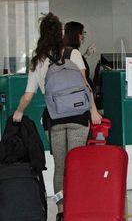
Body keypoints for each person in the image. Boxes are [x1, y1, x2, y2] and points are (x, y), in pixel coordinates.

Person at [12, 13, 102, 221]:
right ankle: (78, 207)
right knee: (77, 164)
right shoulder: (73, 54)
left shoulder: (39, 60)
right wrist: (94, 111)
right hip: (79, 116)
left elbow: (27, 96)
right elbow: (85, 85)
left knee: (60, 166)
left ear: (42, 35)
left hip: (54, 119)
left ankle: (62, 211)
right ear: (61, 33)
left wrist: (18, 112)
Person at [63, 21, 95, 90]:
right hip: (78, 94)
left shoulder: (62, 51)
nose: (83, 36)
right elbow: (84, 81)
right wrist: (91, 96)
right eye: (83, 33)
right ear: (77, 34)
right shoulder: (75, 52)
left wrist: (86, 55)